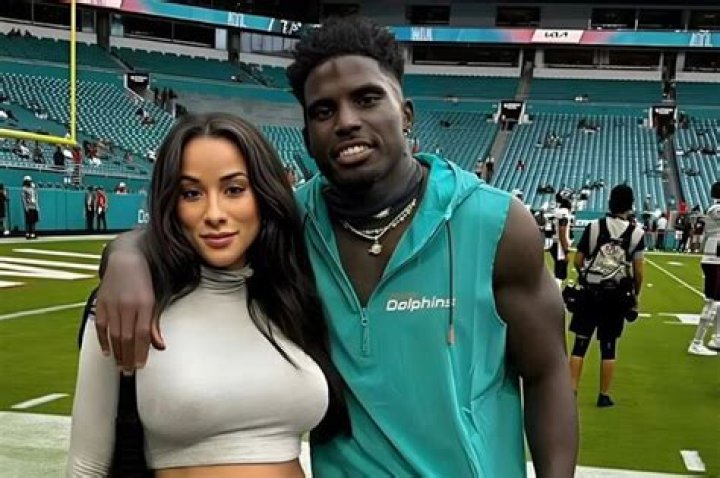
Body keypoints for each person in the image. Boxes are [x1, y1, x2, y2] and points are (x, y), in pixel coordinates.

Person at [92, 17, 577, 477]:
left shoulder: (495, 223)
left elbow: (548, 374)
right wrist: (126, 255)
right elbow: (193, 226)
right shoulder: (288, 223)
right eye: (323, 111)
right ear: (306, 137)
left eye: (367, 99)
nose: (346, 121)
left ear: (406, 114)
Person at [67, 113, 349, 476]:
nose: (214, 213)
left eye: (234, 190)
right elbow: (86, 465)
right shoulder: (130, 303)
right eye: (191, 193)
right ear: (171, 202)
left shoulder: (290, 295)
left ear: (263, 194)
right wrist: (125, 252)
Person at [569, 185, 645, 407]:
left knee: (580, 344)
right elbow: (639, 271)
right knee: (609, 348)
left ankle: (571, 391)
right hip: (616, 297)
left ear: (610, 202)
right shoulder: (637, 233)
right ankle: (603, 395)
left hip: (591, 293)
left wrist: (585, 275)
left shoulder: (594, 227)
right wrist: (635, 295)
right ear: (630, 205)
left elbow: (578, 259)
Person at [688, 181, 720, 356]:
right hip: (713, 259)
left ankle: (717, 337)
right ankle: (697, 342)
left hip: (716, 259)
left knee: (718, 302)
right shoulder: (715, 209)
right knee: (711, 302)